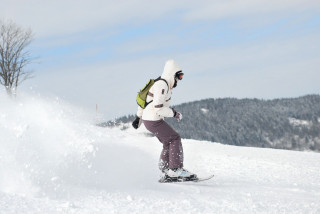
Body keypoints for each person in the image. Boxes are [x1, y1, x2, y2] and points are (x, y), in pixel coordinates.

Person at [132, 59, 196, 181]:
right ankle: (175, 170)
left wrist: (138, 116)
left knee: (168, 141)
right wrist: (175, 113)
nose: (179, 80)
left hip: (150, 119)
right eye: (179, 76)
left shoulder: (161, 83)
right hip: (153, 119)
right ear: (173, 74)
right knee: (174, 138)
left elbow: (146, 100)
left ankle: (165, 168)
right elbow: (158, 108)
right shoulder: (162, 85)